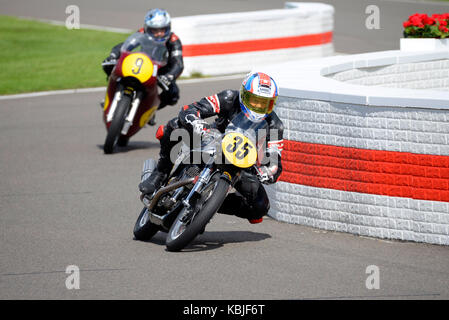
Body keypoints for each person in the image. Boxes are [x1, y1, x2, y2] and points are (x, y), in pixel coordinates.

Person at [138, 72, 284, 224]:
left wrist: (268, 172)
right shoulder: (228, 97)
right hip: (213, 139)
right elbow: (191, 109)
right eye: (255, 101)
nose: (259, 107)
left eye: (264, 103)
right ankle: (160, 173)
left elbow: (275, 162)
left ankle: (210, 205)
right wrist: (196, 121)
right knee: (175, 125)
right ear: (244, 95)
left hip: (243, 162)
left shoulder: (275, 125)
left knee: (260, 206)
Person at [101, 8, 184, 124]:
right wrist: (113, 56)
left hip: (162, 70)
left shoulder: (174, 40)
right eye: (155, 30)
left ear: (168, 27)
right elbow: (123, 46)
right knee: (108, 65)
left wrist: (169, 76)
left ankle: (151, 110)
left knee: (173, 94)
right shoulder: (141, 33)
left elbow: (178, 63)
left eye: (162, 29)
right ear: (147, 28)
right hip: (142, 63)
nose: (159, 33)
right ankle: (112, 94)